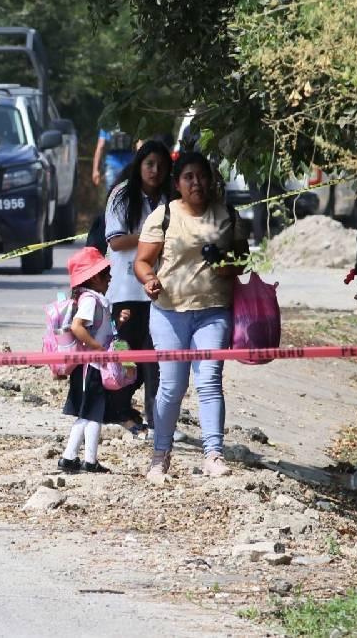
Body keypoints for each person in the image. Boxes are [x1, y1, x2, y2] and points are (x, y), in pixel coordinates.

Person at [134, 151, 249, 483]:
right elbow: (142, 262)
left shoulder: (227, 215)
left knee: (209, 381)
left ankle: (214, 455)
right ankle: (160, 456)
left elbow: (242, 260)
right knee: (172, 387)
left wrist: (225, 264)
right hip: (169, 313)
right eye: (188, 177)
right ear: (177, 184)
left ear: (211, 181)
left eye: (202, 176)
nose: (196, 182)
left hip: (213, 312)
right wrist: (149, 280)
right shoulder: (163, 216)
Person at [103, 140, 174, 430]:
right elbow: (116, 241)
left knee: (155, 360)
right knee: (126, 355)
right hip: (126, 290)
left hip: (161, 290)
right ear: (139, 166)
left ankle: (157, 419)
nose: (155, 171)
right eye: (149, 164)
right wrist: (152, 237)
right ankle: (118, 412)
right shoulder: (122, 195)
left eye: (161, 165)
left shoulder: (171, 198)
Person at [58, 247, 133, 474]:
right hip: (90, 367)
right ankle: (76, 458)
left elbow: (102, 330)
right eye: (105, 274)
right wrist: (96, 348)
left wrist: (118, 322)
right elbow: (77, 327)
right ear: (93, 278)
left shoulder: (97, 300)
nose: (110, 278)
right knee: (90, 414)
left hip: (94, 367)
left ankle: (78, 458)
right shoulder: (90, 300)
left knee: (92, 415)